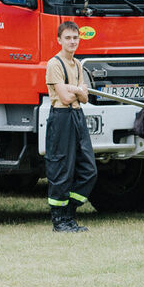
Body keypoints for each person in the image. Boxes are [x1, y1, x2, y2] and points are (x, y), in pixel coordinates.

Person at [44, 21, 97, 232]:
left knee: (88, 169)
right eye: (67, 38)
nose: (72, 41)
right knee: (61, 168)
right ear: (59, 40)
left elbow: (85, 98)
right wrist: (77, 89)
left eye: (75, 38)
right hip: (61, 117)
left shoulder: (78, 64)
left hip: (77, 116)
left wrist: (74, 89)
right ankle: (59, 220)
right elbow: (65, 98)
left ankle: (70, 211)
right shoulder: (54, 64)